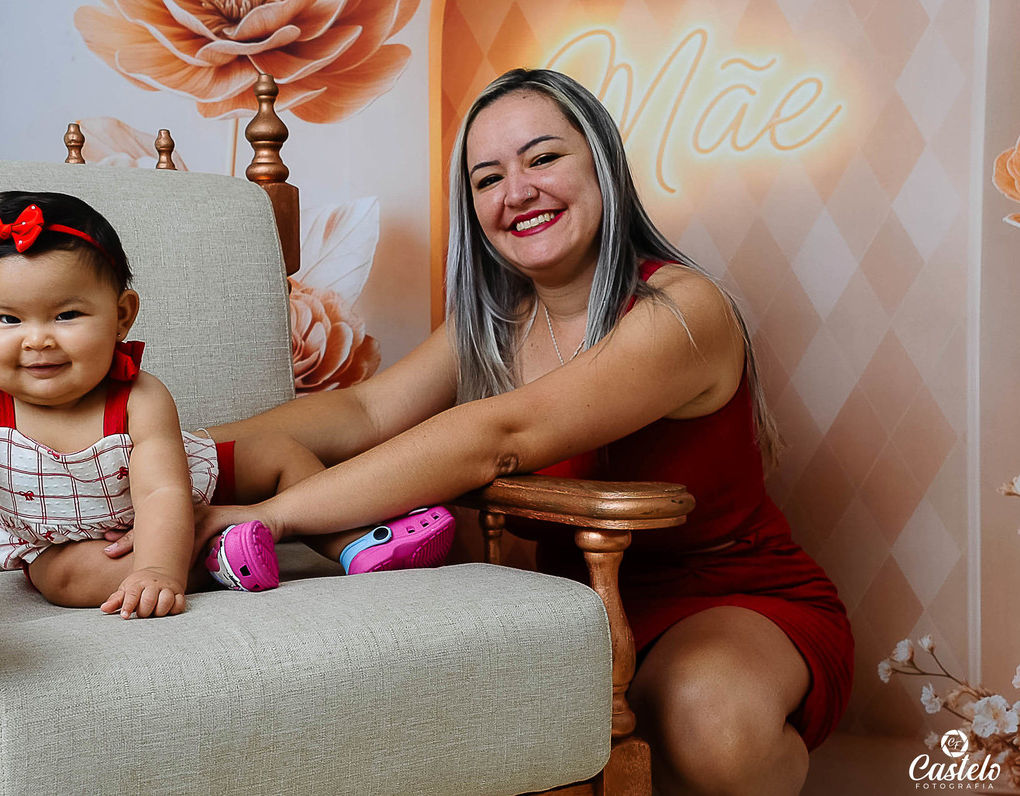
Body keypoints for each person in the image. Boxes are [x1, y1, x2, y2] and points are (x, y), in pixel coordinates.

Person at [108, 68, 854, 793]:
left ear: (602, 164)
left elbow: (500, 435)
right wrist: (167, 451)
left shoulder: (681, 309)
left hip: (730, 595)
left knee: (709, 724)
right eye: (488, 178)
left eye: (543, 158)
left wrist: (269, 516)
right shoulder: (496, 320)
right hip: (577, 604)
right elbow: (364, 413)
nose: (516, 192)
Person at [0, 191, 456, 619]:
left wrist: (159, 561)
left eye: (68, 315)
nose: (37, 339)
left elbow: (161, 492)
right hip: (69, 544)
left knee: (280, 451)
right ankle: (219, 557)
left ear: (122, 315)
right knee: (65, 580)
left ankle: (352, 541)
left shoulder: (139, 396)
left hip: (173, 498)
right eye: (8, 318)